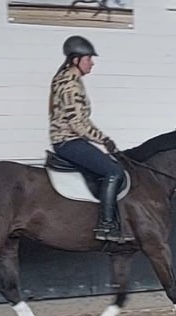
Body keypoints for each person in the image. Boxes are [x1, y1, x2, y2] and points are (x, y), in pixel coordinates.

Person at [48, 35, 132, 243]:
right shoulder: (70, 84)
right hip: (69, 142)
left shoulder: (68, 79)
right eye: (88, 58)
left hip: (71, 140)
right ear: (75, 60)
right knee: (114, 171)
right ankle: (106, 224)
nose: (92, 62)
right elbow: (77, 123)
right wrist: (104, 140)